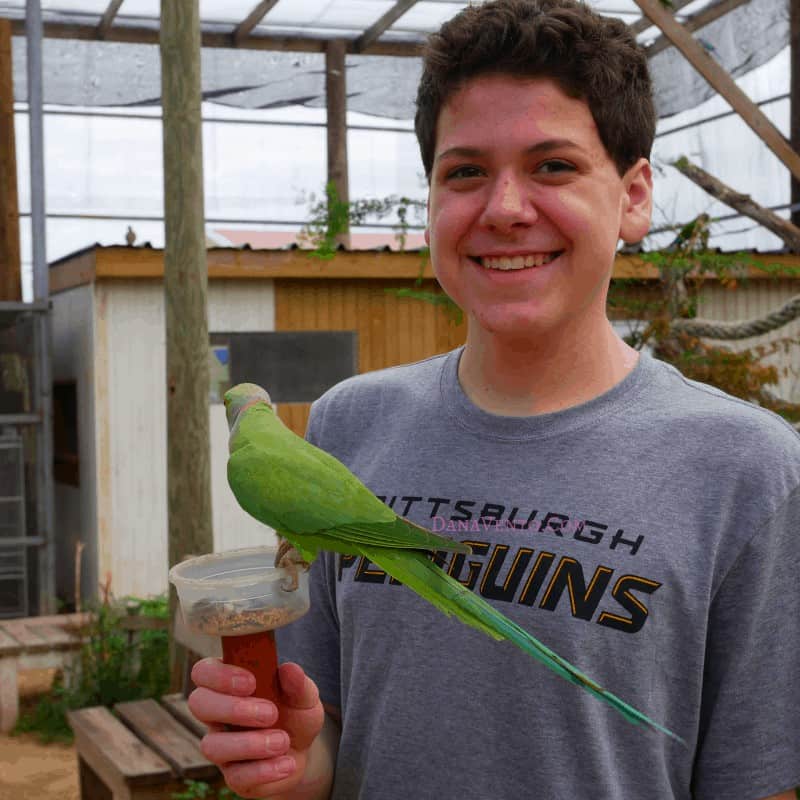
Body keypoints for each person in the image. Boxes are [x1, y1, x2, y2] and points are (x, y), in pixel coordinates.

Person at [187, 1, 800, 797]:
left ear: (636, 196)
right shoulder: (345, 423)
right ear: (434, 202)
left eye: (553, 166)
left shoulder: (751, 470)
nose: (505, 209)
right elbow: (332, 733)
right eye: (466, 171)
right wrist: (289, 757)